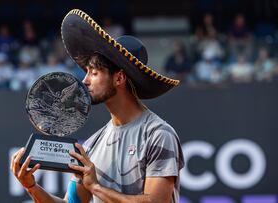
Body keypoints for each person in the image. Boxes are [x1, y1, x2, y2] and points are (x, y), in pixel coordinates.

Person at [11, 9, 184, 203]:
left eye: (93, 73)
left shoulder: (158, 134)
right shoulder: (92, 145)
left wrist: (95, 187)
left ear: (119, 78)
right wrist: (31, 186)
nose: (84, 81)